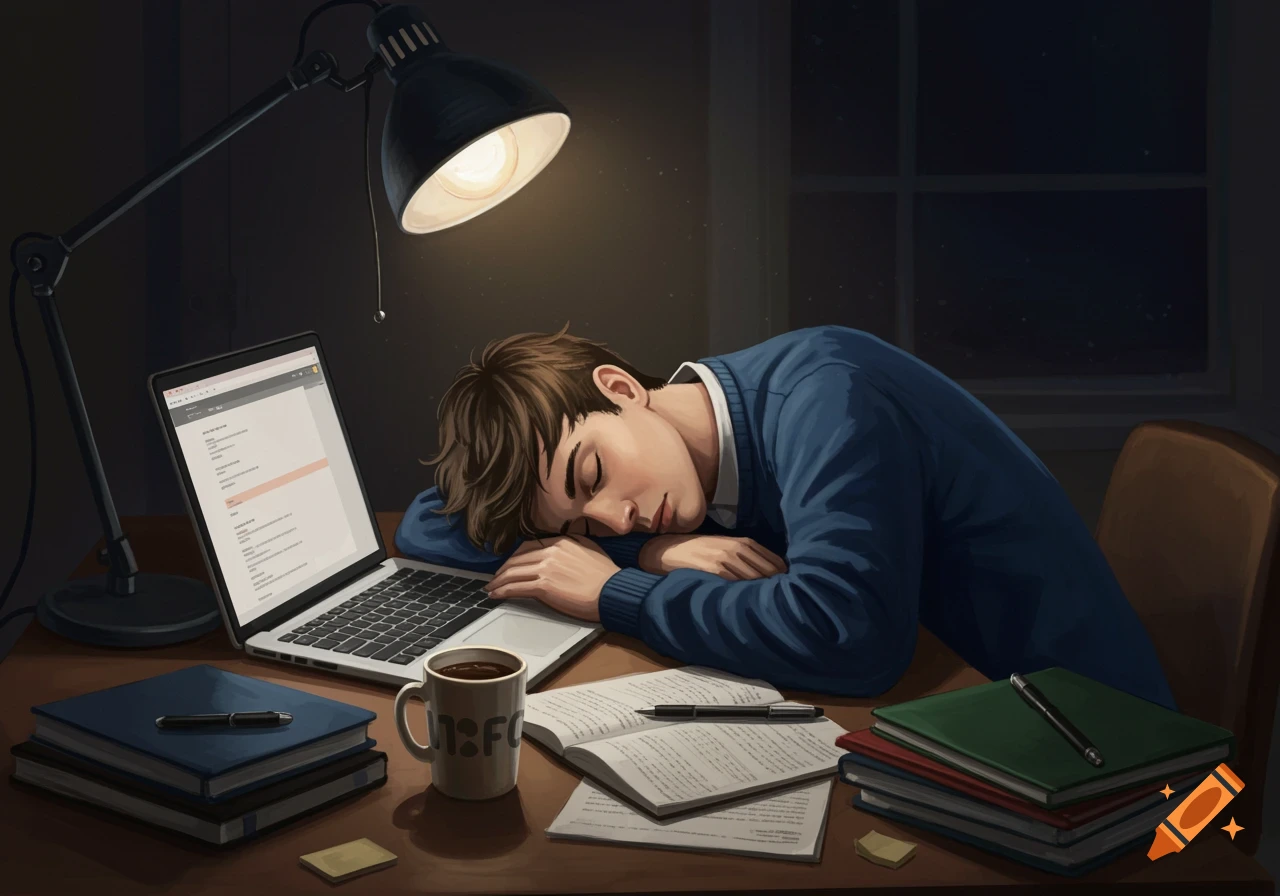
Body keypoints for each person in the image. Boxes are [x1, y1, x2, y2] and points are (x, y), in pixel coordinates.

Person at [396, 324, 1176, 709]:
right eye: (584, 527)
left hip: (1088, 734)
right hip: (960, 698)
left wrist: (613, 591)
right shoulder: (671, 475)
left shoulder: (825, 403)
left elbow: (850, 636)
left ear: (620, 387)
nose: (616, 513)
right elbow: (431, 522)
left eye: (592, 473)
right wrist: (650, 555)